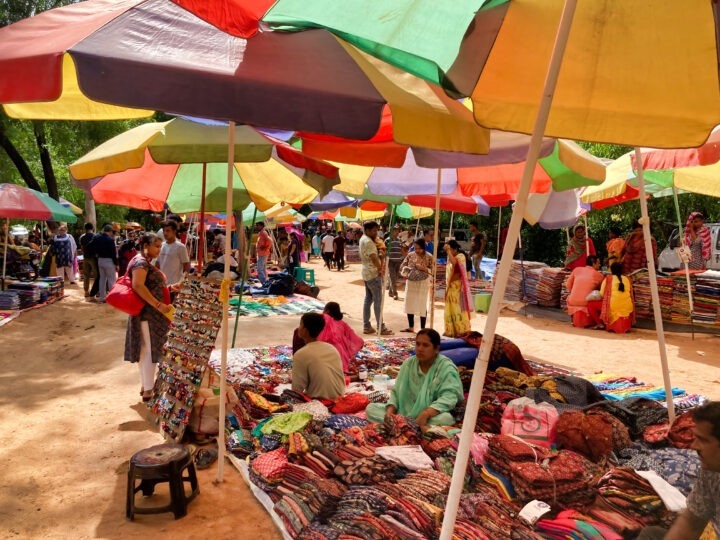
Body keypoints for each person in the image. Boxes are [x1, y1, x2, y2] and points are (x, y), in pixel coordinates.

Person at [638, 402, 720, 540]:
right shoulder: (711, 472)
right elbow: (692, 521)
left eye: (703, 440)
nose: (693, 446)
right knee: (651, 534)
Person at [365, 329, 464, 431]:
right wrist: (389, 414)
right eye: (418, 344)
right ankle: (411, 425)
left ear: (436, 349)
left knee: (446, 419)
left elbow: (449, 397)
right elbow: (396, 392)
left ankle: (405, 425)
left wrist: (426, 414)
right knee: (371, 409)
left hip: (430, 415)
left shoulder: (445, 368)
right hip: (404, 412)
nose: (420, 349)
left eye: (425, 345)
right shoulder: (408, 364)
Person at [123, 233, 172, 401]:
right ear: (146, 246)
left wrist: (170, 289)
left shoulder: (141, 261)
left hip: (148, 313)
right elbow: (138, 285)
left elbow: (149, 286)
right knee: (151, 350)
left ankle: (146, 385)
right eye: (157, 246)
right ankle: (149, 389)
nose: (160, 249)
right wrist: (158, 304)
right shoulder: (141, 263)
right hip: (149, 314)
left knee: (145, 350)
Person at [291, 313, 346, 399]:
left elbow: (297, 389)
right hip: (340, 397)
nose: (298, 328)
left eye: (300, 324)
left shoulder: (301, 354)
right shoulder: (331, 348)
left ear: (305, 330)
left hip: (319, 401)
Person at [359, 221, 392, 335]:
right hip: (373, 274)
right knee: (378, 300)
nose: (376, 232)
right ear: (367, 230)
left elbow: (374, 256)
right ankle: (380, 326)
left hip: (367, 273)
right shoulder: (368, 241)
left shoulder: (363, 239)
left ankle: (367, 325)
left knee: (368, 299)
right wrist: (380, 269)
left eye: (376, 230)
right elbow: (373, 257)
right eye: (373, 230)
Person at [400, 238, 433, 333]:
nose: (417, 250)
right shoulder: (410, 255)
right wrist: (406, 270)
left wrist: (424, 269)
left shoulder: (429, 256)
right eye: (415, 248)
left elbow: (434, 271)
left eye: (419, 248)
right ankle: (411, 327)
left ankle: (423, 329)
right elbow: (402, 266)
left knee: (422, 305)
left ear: (423, 247)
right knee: (409, 304)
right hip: (411, 283)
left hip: (423, 283)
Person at [443, 240, 473, 337]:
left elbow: (455, 263)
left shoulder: (461, 256)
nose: (449, 251)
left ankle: (461, 330)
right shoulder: (450, 257)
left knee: (458, 309)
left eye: (451, 249)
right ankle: (451, 330)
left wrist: (448, 251)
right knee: (450, 309)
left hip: (457, 287)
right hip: (450, 287)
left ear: (455, 249)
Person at [596, 262, 634, 333]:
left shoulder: (608, 279)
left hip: (613, 307)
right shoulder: (627, 279)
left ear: (611, 270)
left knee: (592, 304)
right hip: (628, 307)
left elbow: (601, 294)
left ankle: (600, 324)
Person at [566, 255, 603, 328]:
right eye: (598, 263)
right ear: (593, 264)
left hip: (573, 301)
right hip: (586, 303)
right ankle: (597, 322)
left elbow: (568, 285)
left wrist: (574, 293)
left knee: (568, 297)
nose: (600, 265)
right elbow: (601, 291)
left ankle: (573, 319)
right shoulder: (599, 275)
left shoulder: (576, 270)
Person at [87, 224, 118, 303]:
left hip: (100, 260)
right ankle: (112, 298)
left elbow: (88, 246)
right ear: (110, 231)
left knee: (102, 279)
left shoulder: (97, 237)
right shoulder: (110, 240)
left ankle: (102, 298)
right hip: (109, 261)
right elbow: (113, 253)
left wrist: (95, 253)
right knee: (111, 280)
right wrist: (116, 263)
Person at [157, 220, 190, 288]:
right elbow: (158, 264)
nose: (165, 233)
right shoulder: (161, 246)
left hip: (174, 285)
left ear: (174, 231)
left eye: (168, 231)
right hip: (162, 284)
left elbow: (186, 267)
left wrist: (182, 282)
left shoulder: (180, 247)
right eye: (164, 231)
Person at [386, 226, 405, 300]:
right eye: (396, 231)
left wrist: (404, 258)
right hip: (391, 261)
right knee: (392, 277)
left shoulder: (399, 240)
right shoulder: (387, 240)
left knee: (395, 277)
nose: (397, 232)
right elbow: (384, 250)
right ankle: (395, 293)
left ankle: (391, 291)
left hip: (398, 261)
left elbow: (402, 249)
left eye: (398, 231)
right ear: (391, 232)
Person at [79, 223, 98, 298]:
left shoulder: (82, 237)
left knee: (86, 275)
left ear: (85, 229)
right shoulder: (95, 236)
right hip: (94, 258)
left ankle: (86, 291)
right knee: (96, 275)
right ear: (92, 228)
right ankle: (97, 291)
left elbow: (82, 248)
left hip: (85, 258)